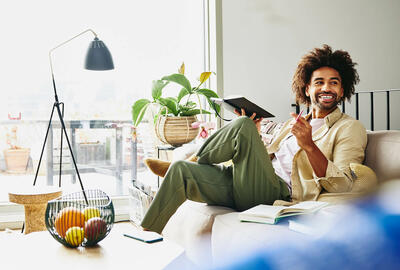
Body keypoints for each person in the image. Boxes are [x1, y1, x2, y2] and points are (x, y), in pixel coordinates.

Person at [141, 44, 367, 233]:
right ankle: (148, 234)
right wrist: (254, 136)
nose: (326, 88)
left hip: (277, 194)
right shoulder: (293, 123)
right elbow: (268, 159)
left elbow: (343, 184)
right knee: (181, 170)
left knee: (243, 124)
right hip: (248, 183)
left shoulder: (349, 128)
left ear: (342, 89)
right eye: (319, 82)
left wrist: (309, 146)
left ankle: (197, 158)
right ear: (307, 89)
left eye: (334, 82)